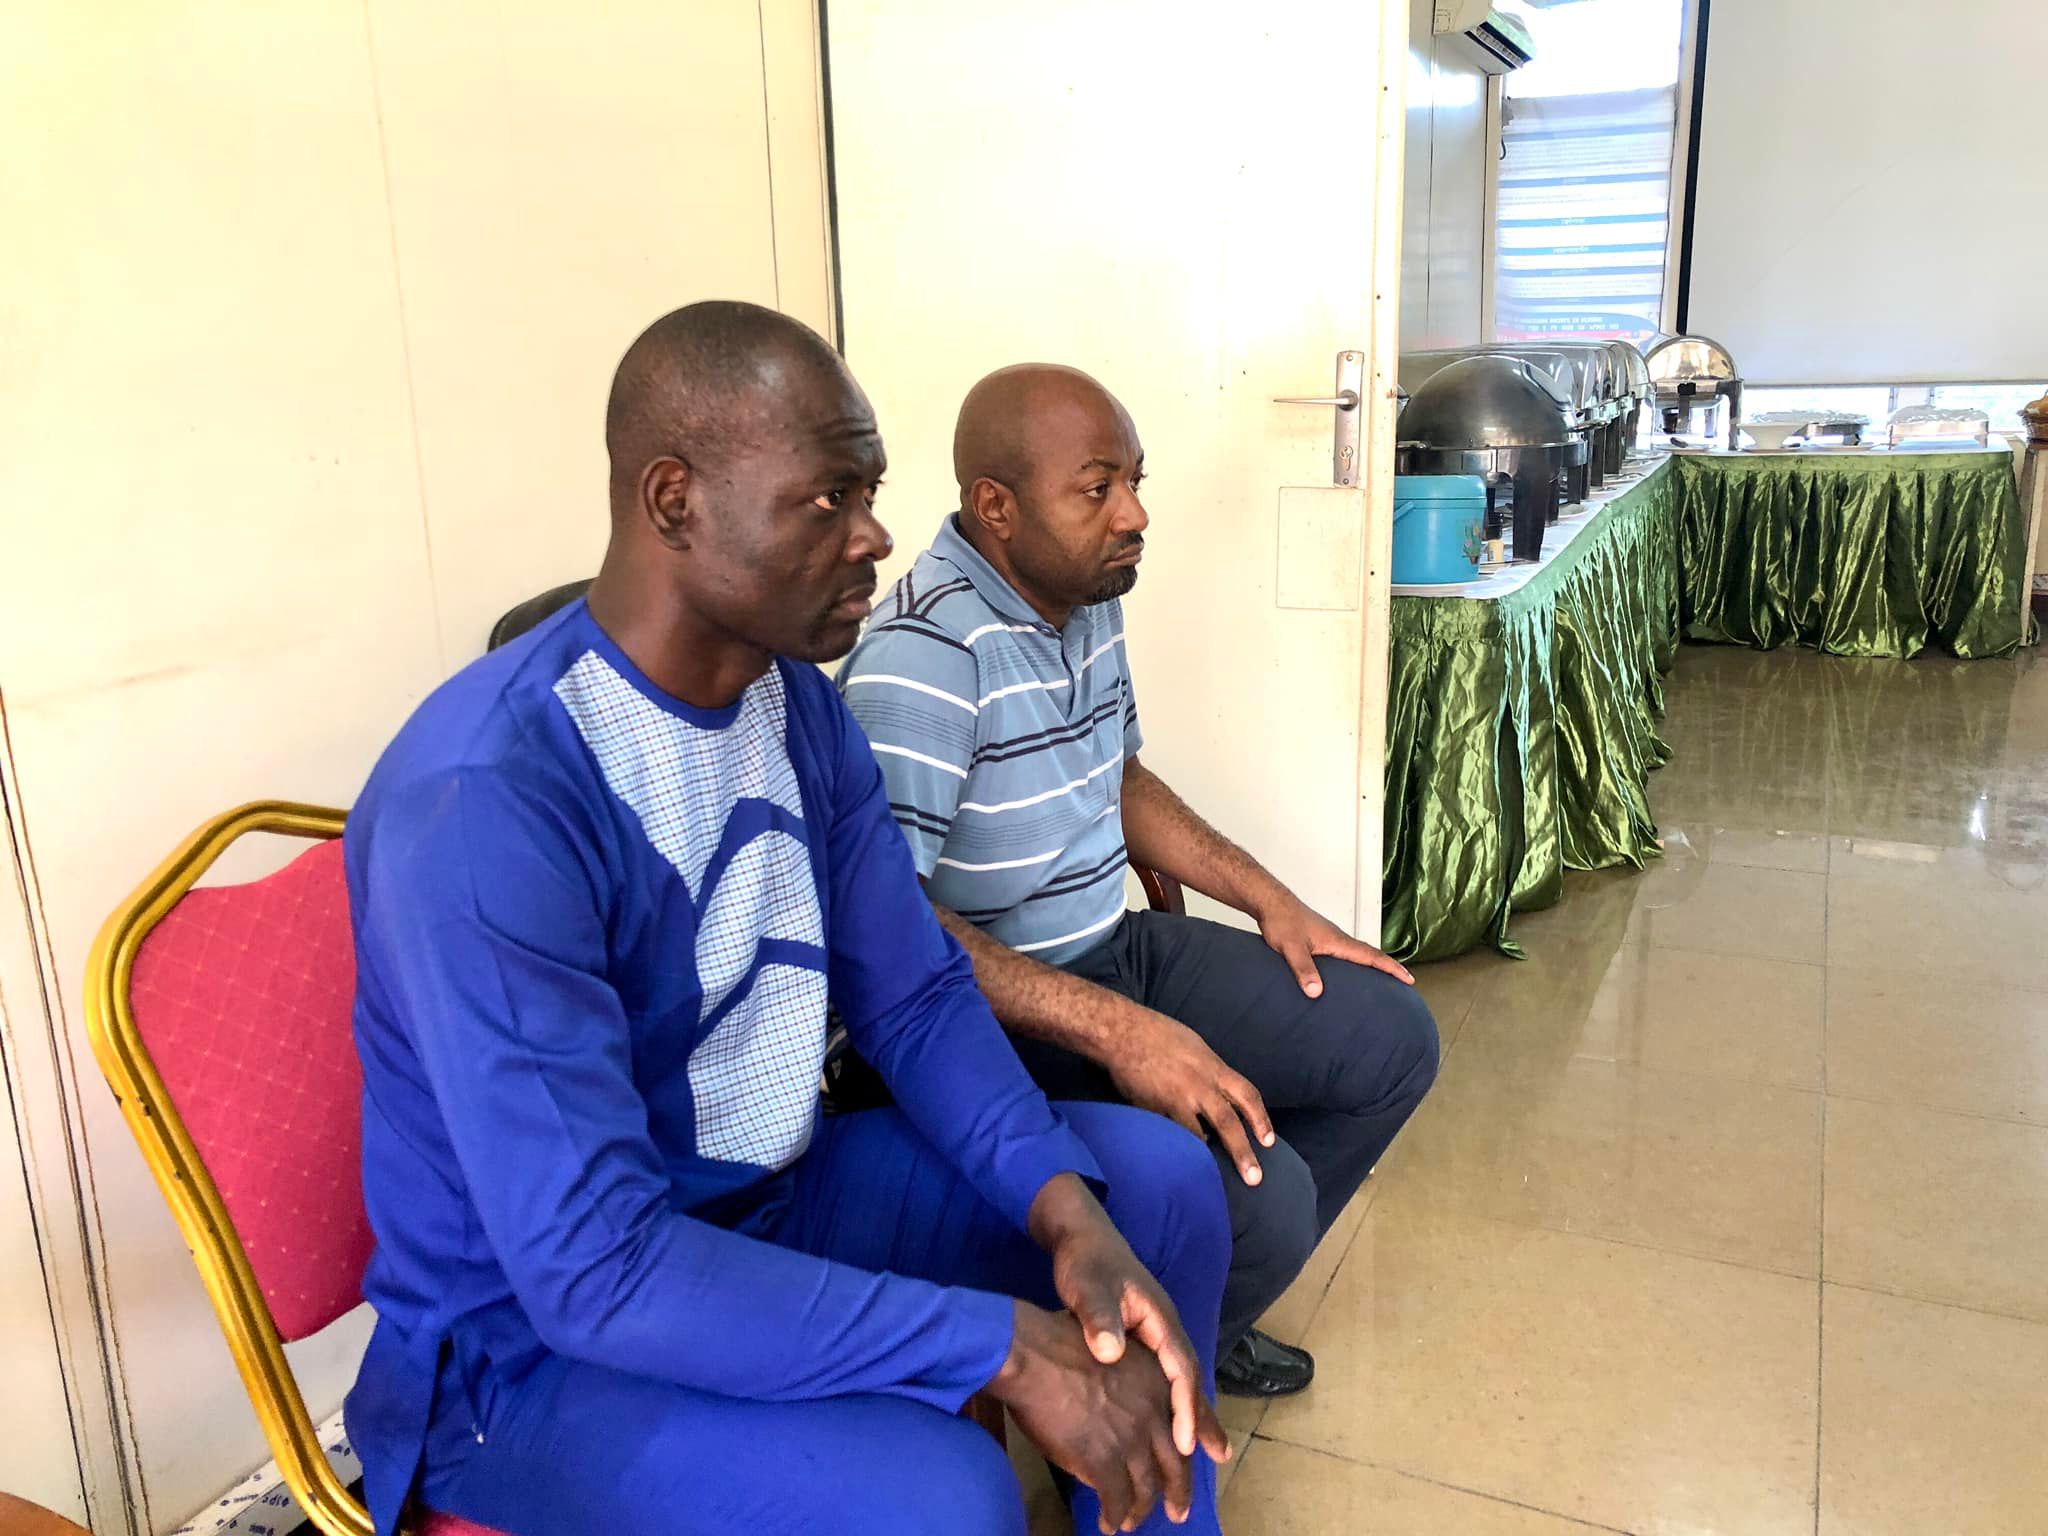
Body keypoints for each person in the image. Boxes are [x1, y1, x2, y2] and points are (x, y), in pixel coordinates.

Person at [343, 308, 1235, 1536]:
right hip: (535, 1348)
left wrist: (1060, 1208)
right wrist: (996, 1345)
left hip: (771, 1203)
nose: (873, 535)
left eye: (869, 493)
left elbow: (912, 997)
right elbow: (595, 1269)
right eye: (828, 498)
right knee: (943, 1497)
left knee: (1154, 1191)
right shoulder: (488, 800)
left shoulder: (796, 710)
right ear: (674, 501)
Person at [836, 364, 1440, 1398]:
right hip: (989, 1016)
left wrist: (1271, 900)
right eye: (1098, 488)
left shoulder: (1080, 594)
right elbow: (888, 935)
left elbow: (1117, 777)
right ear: (996, 507)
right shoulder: (922, 663)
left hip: (1111, 950)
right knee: (1269, 1204)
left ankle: (1198, 1313)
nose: (1134, 514)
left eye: (1134, 481)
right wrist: (1120, 1033)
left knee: (1390, 1037)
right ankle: (1147, 1362)